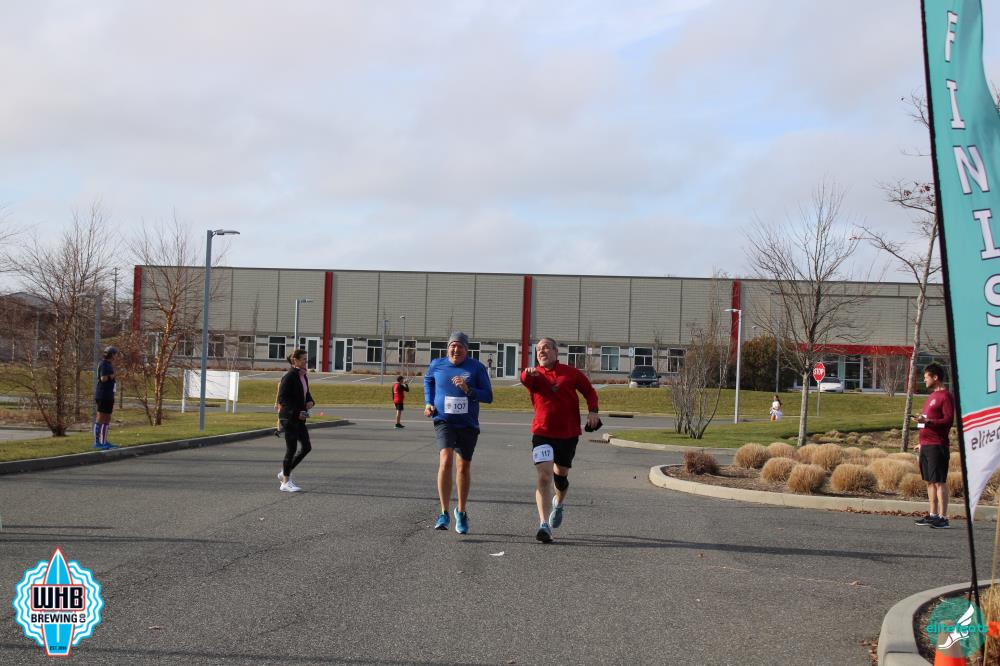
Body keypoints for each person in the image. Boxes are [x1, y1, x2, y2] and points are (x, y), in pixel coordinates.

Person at [520, 337, 599, 543]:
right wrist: (527, 373)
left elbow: (589, 391)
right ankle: (544, 525)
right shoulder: (534, 375)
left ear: (556, 352)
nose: (541, 351)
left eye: (546, 348)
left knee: (560, 478)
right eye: (538, 349)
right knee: (544, 476)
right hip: (542, 433)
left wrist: (593, 411)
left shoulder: (570, 373)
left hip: (567, 435)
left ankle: (559, 504)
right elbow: (524, 379)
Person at [424, 331, 493, 534]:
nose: (456, 349)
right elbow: (428, 381)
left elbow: (488, 396)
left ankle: (461, 511)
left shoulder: (476, 368)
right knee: (445, 461)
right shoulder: (437, 364)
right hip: (443, 420)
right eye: (452, 346)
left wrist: (468, 389)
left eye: (460, 346)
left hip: (467, 423)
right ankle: (444, 512)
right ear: (448, 348)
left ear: (466, 349)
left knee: (462, 468)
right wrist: (428, 402)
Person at [913, 363, 955, 529]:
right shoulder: (932, 396)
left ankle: (943, 518)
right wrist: (921, 441)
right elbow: (927, 420)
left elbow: (948, 420)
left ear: (935, 377)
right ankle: (933, 515)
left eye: (926, 377)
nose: (924, 380)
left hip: (938, 445)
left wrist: (928, 421)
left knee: (939, 481)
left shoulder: (945, 396)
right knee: (930, 481)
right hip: (926, 445)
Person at [276, 349, 315, 493]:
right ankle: (285, 482)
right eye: (303, 359)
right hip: (289, 418)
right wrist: (296, 412)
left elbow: (306, 393)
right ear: (295, 361)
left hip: (300, 418)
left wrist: (310, 401)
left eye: (306, 358)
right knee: (291, 449)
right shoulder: (289, 377)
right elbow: (282, 399)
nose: (306, 361)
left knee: (306, 447)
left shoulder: (303, 376)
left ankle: (284, 472)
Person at [93, 346, 120, 450]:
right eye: (115, 354)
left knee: (107, 418)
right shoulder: (104, 364)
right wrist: (111, 376)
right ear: (111, 355)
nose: (116, 356)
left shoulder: (108, 364)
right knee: (101, 417)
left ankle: (104, 440)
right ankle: (97, 442)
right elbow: (103, 378)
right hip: (103, 395)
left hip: (109, 395)